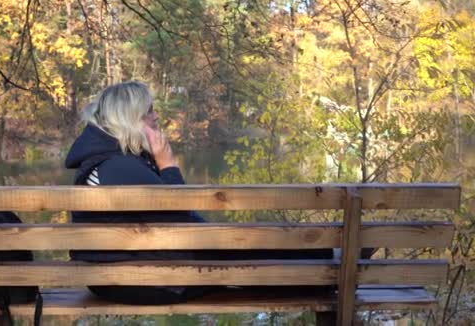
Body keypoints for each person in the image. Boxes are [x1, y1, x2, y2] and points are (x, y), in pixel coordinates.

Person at [65, 81, 333, 305]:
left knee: (239, 251)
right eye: (148, 112)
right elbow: (181, 222)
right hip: (145, 281)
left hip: (133, 275)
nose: (156, 117)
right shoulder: (118, 166)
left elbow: (174, 223)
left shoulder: (110, 161)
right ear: (128, 118)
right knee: (237, 254)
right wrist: (168, 165)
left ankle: (324, 264)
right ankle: (328, 265)